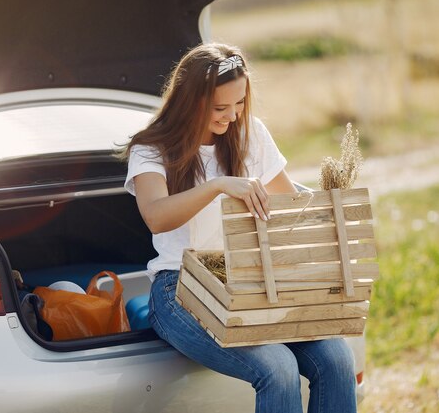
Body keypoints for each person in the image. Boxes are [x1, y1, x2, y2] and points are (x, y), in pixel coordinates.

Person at [121, 42, 357, 413]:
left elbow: (290, 200)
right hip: (180, 288)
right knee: (277, 367)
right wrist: (218, 185)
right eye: (220, 107)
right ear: (190, 100)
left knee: (336, 358)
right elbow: (156, 215)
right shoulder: (151, 148)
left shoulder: (251, 135)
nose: (232, 116)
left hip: (254, 279)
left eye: (240, 103)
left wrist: (332, 204)